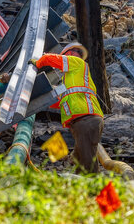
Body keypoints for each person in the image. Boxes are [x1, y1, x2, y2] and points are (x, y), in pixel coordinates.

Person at [33, 42, 105, 173]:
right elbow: (60, 101)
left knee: (87, 162)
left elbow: (51, 59)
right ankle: (80, 184)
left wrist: (38, 62)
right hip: (85, 121)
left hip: (86, 120)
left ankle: (92, 187)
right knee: (80, 158)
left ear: (70, 54)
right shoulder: (73, 77)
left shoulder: (76, 62)